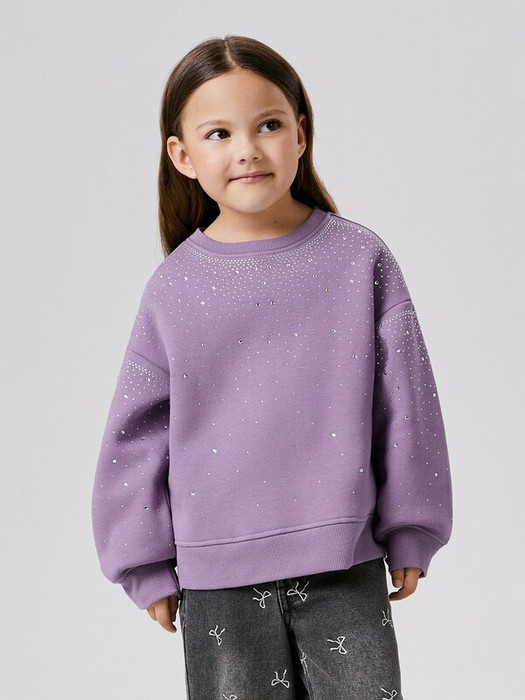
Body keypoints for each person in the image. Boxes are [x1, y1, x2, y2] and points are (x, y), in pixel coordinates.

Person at [91, 34, 453, 699]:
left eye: (268, 125)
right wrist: (142, 563)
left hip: (343, 561)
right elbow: (134, 437)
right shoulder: (173, 288)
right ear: (182, 155)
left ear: (300, 133)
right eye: (219, 133)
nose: (247, 149)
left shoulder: (358, 260)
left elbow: (406, 404)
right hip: (218, 580)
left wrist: (411, 527)